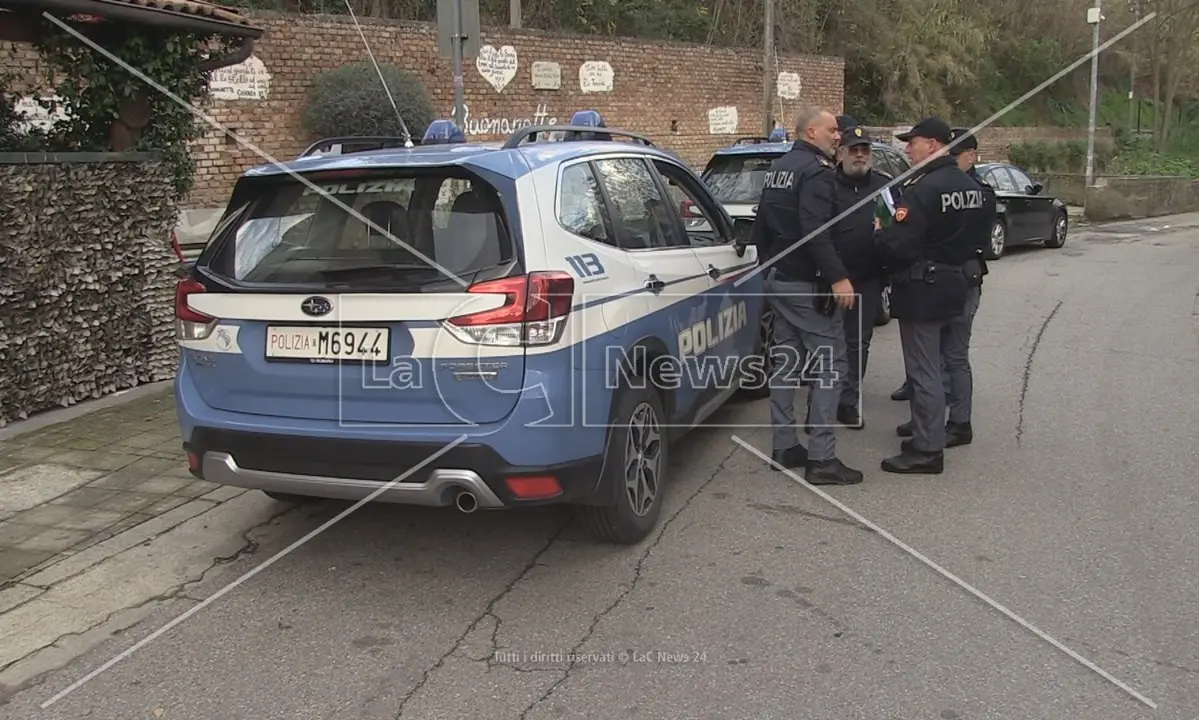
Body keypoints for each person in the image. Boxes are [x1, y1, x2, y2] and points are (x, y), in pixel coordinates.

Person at [755, 107, 863, 486]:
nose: (839, 137)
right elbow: (815, 230)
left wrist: (768, 268)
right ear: (812, 132)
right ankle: (822, 458)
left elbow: (763, 224)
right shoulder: (816, 173)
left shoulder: (779, 168)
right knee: (830, 364)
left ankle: (785, 446)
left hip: (781, 280)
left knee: (786, 361)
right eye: (834, 130)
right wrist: (837, 278)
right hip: (807, 283)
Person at [874, 116, 986, 474]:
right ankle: (934, 431)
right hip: (956, 281)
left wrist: (880, 232)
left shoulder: (923, 188)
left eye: (914, 142)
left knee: (925, 370)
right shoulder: (969, 185)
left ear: (934, 145)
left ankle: (927, 448)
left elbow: (899, 244)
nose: (908, 148)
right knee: (948, 360)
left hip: (924, 285)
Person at [895, 127, 995, 445]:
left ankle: (950, 425)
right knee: (942, 357)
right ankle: (936, 421)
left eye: (914, 143)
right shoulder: (973, 190)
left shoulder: (946, 188)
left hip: (949, 277)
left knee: (946, 357)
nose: (909, 150)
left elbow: (910, 240)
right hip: (958, 274)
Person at [830, 124, 890, 430]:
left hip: (867, 279)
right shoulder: (825, 185)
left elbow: (898, 229)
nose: (859, 155)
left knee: (857, 344)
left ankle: (848, 402)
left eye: (864, 150)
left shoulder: (885, 185)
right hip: (829, 279)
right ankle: (824, 400)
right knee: (826, 343)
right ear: (840, 153)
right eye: (853, 150)